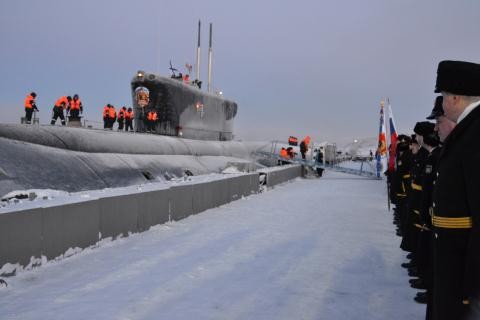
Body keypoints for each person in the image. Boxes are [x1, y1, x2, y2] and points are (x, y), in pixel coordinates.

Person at [431, 60, 480, 320]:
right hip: (455, 259)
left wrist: (470, 284)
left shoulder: (475, 132)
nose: (442, 102)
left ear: (456, 97)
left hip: (464, 268)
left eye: (443, 96)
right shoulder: (468, 130)